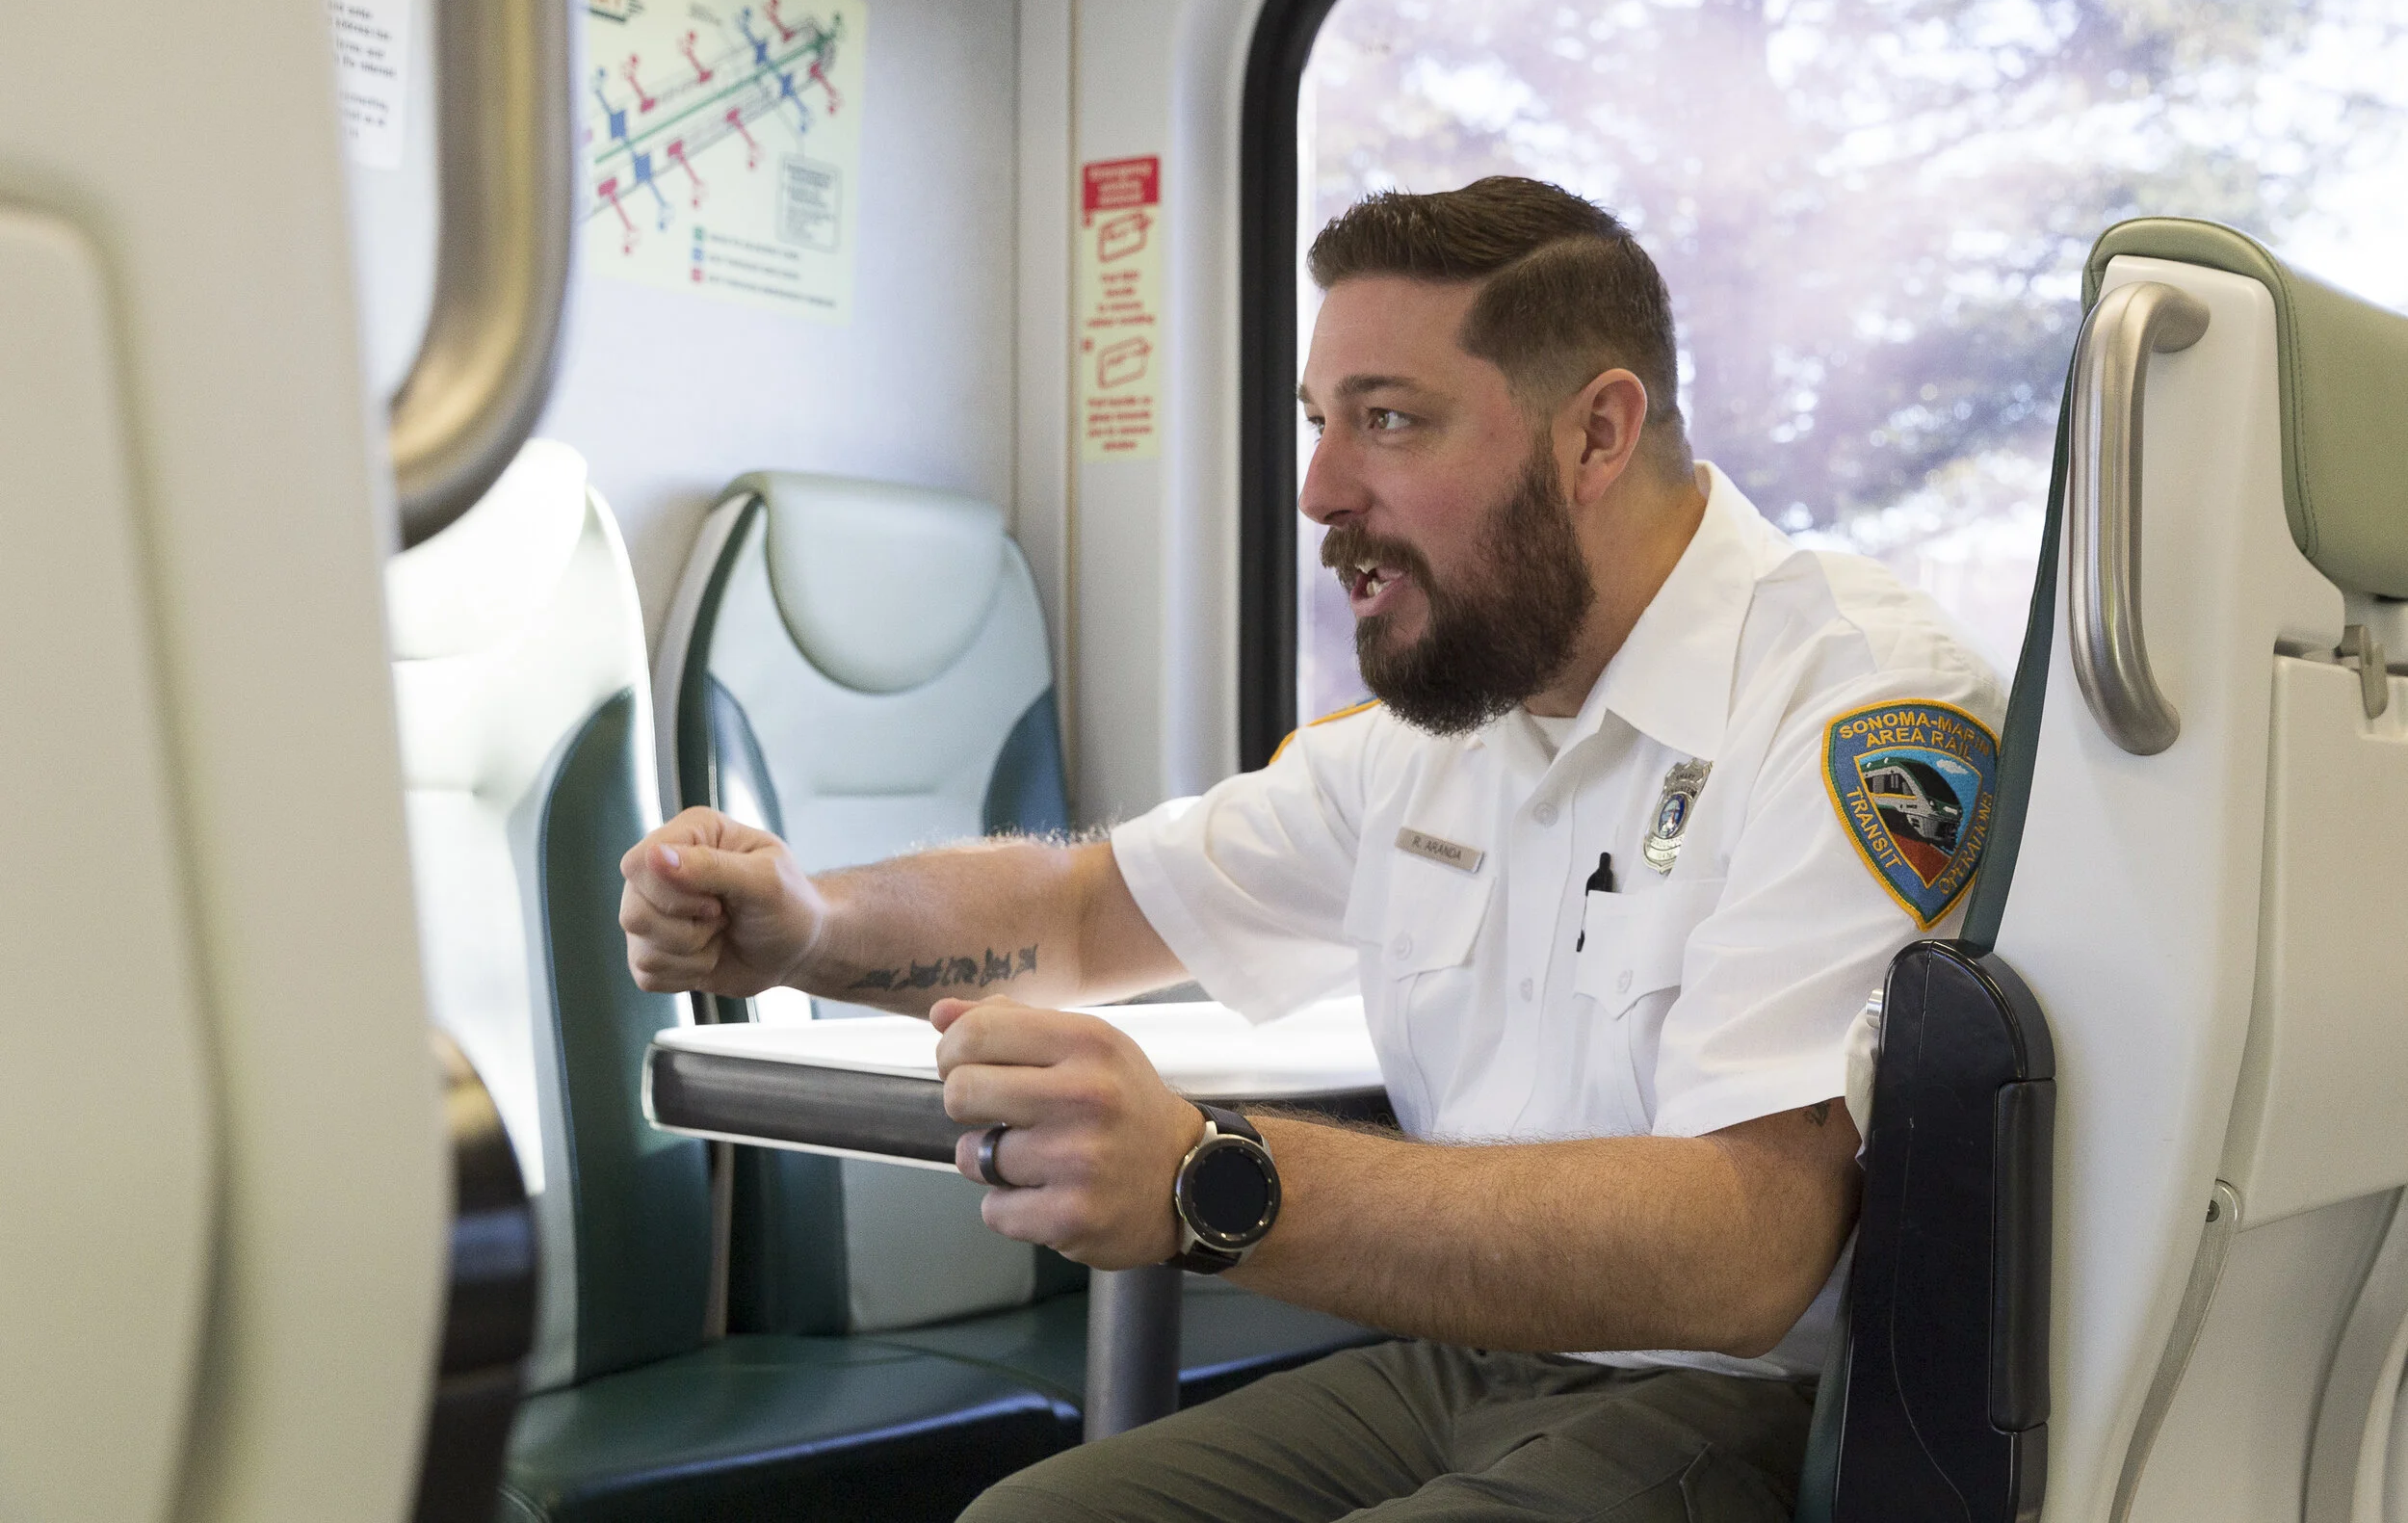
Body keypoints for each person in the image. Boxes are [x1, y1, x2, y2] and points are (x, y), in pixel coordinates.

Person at [617, 176, 2004, 1521]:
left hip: (1756, 1399)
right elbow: (1092, 906)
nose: (1321, 487)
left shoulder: (1859, 710)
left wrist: (1205, 1176)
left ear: (1596, 435)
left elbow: (1748, 1246)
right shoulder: (1446, 723)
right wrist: (807, 926)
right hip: (1481, 1354)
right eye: (1319, 422)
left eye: (1388, 420)